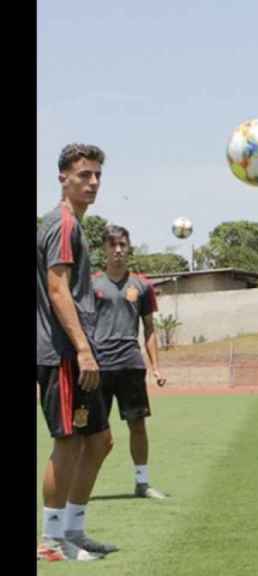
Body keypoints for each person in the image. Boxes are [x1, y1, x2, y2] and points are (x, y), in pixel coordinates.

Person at [36, 143, 115, 561]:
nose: (94, 182)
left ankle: (74, 530)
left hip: (80, 351)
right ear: (63, 177)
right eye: (85, 175)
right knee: (68, 442)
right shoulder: (62, 225)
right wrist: (83, 349)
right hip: (64, 352)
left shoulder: (74, 226)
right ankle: (50, 541)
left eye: (98, 175)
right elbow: (56, 287)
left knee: (99, 441)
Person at [92, 225, 169, 500]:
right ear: (104, 249)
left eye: (122, 245)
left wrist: (155, 366)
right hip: (98, 368)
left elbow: (149, 329)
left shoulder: (142, 286)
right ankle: (83, 485)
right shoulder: (91, 284)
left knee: (137, 425)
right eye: (112, 245)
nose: (118, 250)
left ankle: (142, 483)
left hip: (131, 365)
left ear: (129, 247)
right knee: (93, 433)